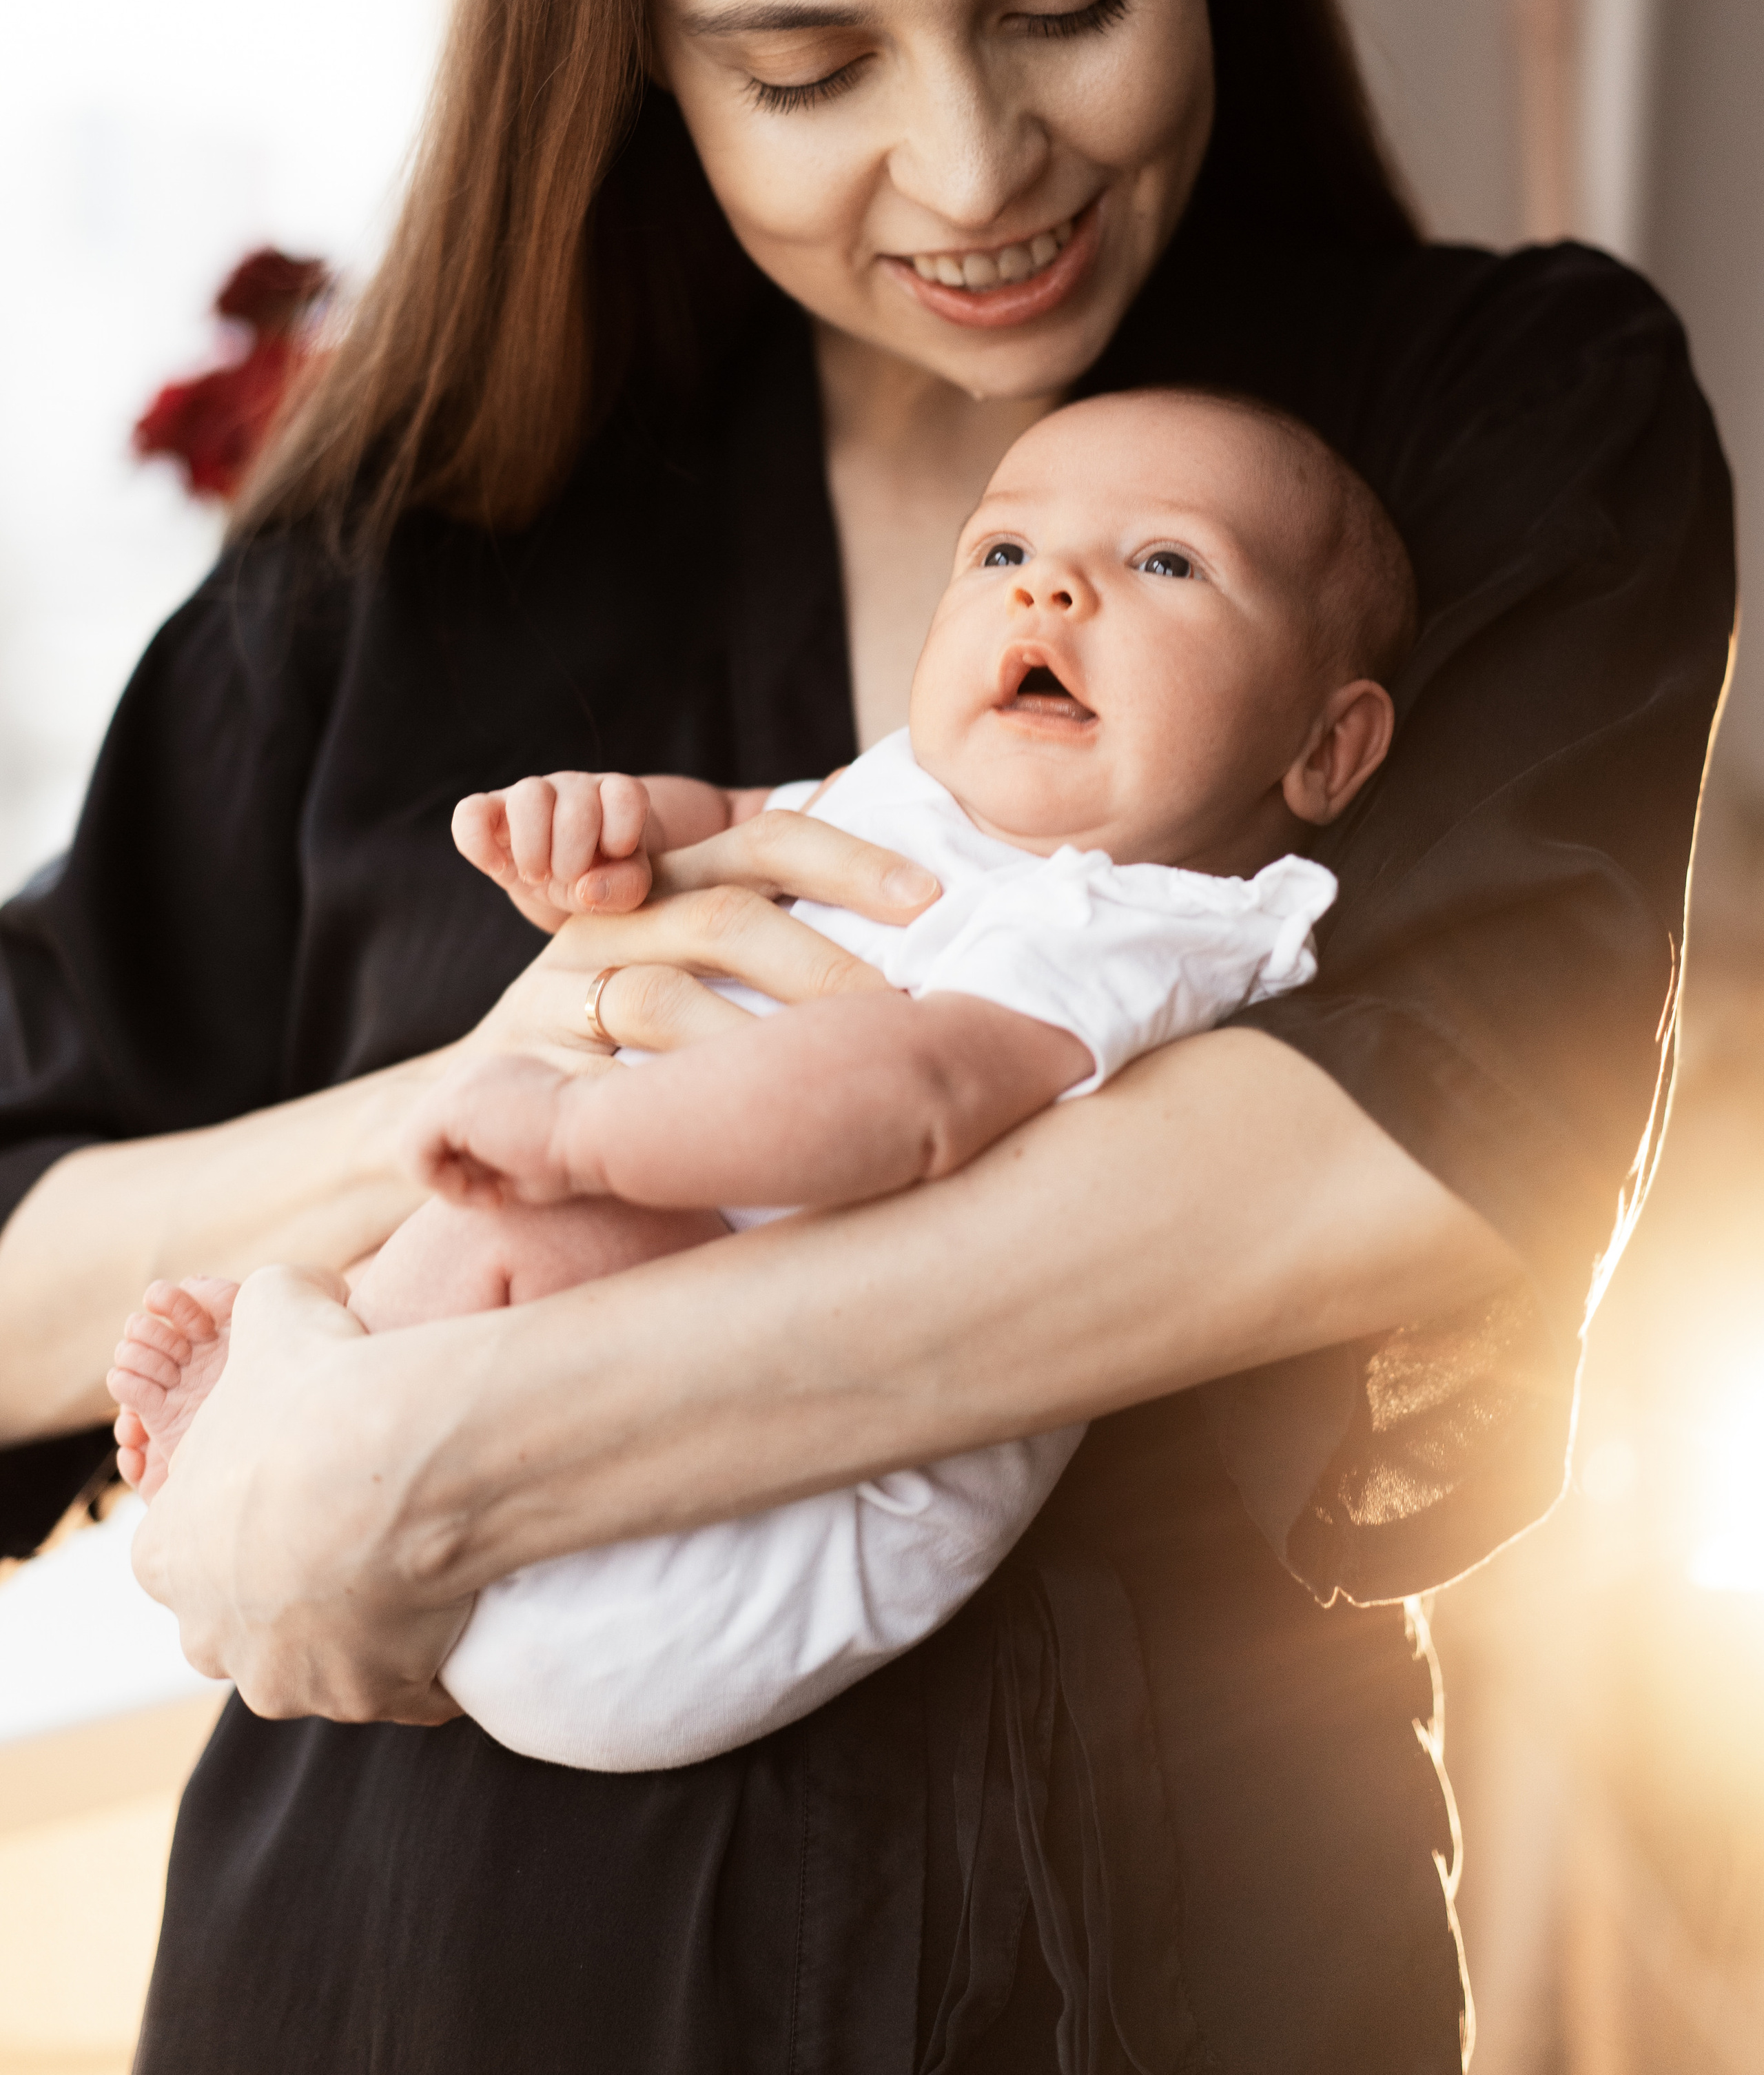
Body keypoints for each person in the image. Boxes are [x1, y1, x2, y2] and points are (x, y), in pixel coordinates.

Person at [0, 0, 1732, 2067]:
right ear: (636, 53)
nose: (974, 161)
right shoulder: (417, 557)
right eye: (805, 63)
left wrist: (434, 1454)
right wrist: (470, 1099)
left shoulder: (1489, 435)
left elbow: (1417, 1137)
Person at [105, 387, 1391, 1772]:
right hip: (604, 1446)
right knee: (504, 1239)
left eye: (1166, 563)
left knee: (525, 1221)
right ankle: (300, 1374)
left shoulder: (1138, 920)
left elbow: (911, 1093)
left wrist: (587, 1133)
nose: (1052, 590)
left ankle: (298, 1372)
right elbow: (730, 827)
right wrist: (612, 832)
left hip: (764, 1529)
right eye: (1004, 553)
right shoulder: (915, 800)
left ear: (1325, 749)